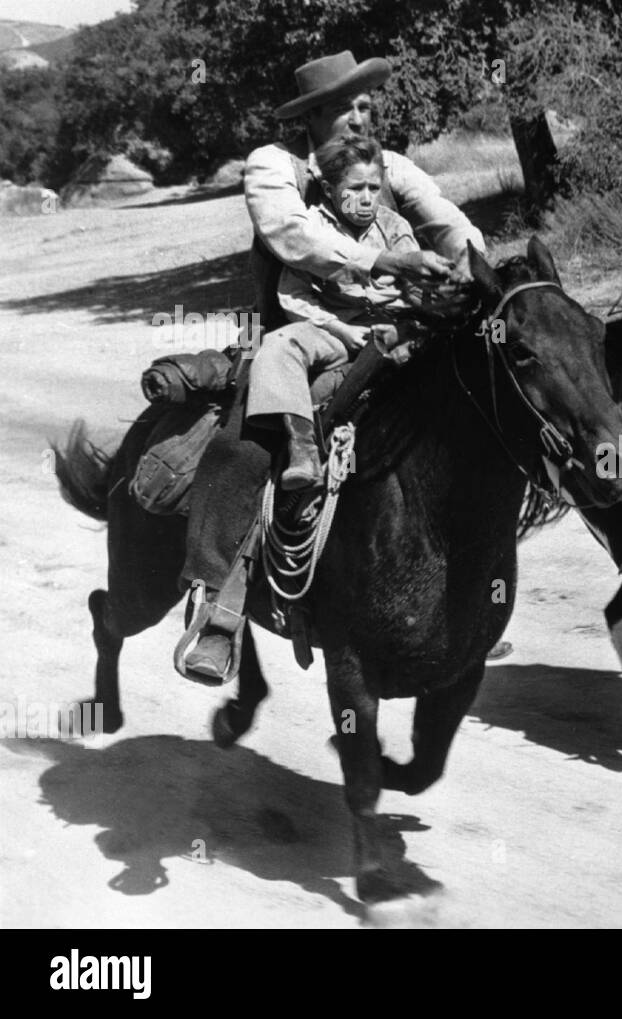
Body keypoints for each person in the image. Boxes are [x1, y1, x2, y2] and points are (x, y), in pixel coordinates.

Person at [179, 51, 495, 682]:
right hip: (298, 332)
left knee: (471, 409)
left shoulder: (390, 166)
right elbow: (290, 234)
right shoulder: (275, 166)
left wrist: (475, 267)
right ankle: (221, 607)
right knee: (249, 446)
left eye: (366, 106)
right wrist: (382, 264)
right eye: (348, 107)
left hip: (390, 327)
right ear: (314, 116)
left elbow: (445, 220)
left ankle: (465, 603)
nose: (360, 117)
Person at [248, 134, 420, 489]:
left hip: (391, 328)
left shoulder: (394, 227)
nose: (367, 198)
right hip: (335, 328)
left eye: (375, 187)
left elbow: (417, 287)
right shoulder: (314, 230)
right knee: (279, 344)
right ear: (328, 188)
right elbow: (293, 295)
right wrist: (341, 329)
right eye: (355, 188)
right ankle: (302, 448)